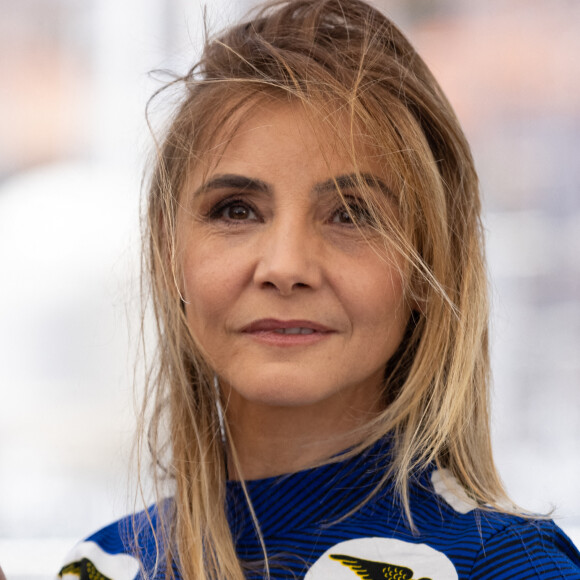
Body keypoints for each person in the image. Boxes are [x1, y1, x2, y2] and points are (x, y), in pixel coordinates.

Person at [58, 1, 580, 579]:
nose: (285, 266)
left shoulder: (509, 568)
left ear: (432, 263)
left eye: (352, 214)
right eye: (236, 210)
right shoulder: (100, 566)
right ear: (167, 251)